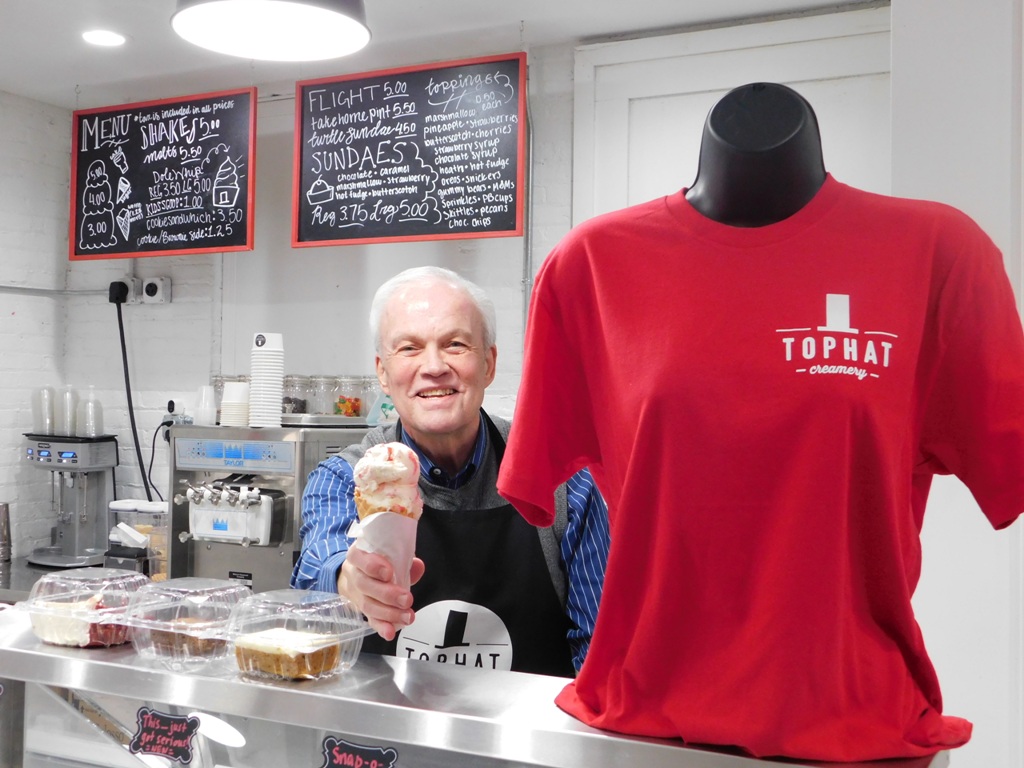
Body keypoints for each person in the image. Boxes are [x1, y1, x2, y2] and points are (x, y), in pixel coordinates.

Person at [497, 82, 1024, 761]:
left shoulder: (939, 252)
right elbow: (536, 484)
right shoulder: (589, 266)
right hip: (643, 714)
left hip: (855, 718)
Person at [292, 266, 609, 677]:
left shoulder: (561, 481)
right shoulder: (345, 479)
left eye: (455, 344)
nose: (434, 366)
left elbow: (602, 651)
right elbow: (316, 580)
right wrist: (349, 581)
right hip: (377, 719)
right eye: (409, 348)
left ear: (489, 363)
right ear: (383, 373)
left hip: (525, 718)